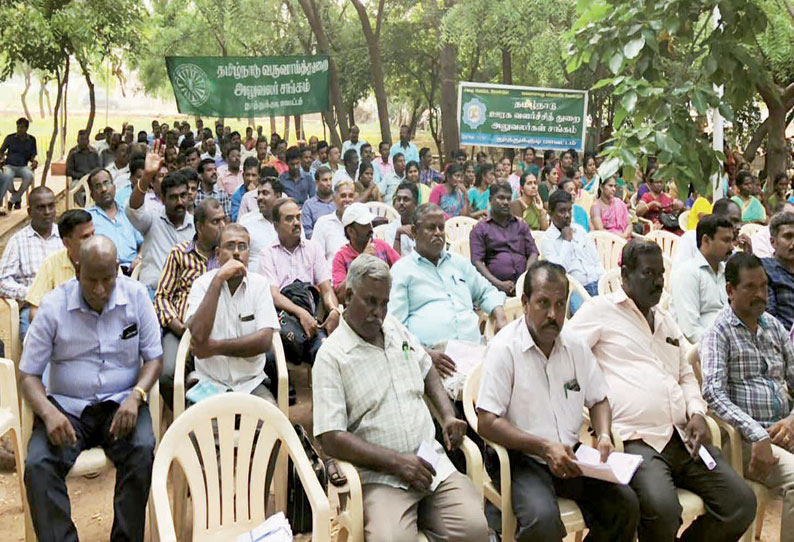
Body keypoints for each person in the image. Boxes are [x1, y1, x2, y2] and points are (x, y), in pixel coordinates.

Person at [567, 239, 756, 542]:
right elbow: (562, 353)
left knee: (741, 504)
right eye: (648, 273)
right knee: (663, 509)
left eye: (660, 275)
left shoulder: (665, 321)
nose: (657, 282)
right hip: (634, 439)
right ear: (625, 274)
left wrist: (696, 412)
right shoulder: (600, 311)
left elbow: (685, 374)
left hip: (683, 436)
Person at [313, 254, 489, 542]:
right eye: (370, 301)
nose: (378, 312)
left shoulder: (394, 328)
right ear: (347, 294)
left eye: (384, 303)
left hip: (430, 463)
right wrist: (397, 463)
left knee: (475, 531)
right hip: (379, 477)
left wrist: (447, 415)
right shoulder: (331, 356)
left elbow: (427, 368)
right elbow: (331, 437)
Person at [478, 260, 640, 542]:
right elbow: (487, 422)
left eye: (560, 304)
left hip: (570, 453)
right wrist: (543, 447)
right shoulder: (504, 348)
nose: (553, 315)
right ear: (525, 302)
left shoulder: (575, 345)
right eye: (543, 303)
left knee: (625, 506)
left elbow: (599, 399)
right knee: (543, 521)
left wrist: (603, 435)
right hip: (522, 457)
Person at [20, 236, 162, 542]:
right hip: (67, 410)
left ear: (117, 269)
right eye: (91, 280)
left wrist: (137, 396)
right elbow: (29, 375)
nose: (99, 290)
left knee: (142, 450)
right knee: (38, 465)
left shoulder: (136, 296)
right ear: (77, 270)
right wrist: (47, 412)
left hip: (122, 404)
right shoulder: (53, 306)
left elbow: (154, 358)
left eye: (107, 279)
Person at [701, 252, 794, 542]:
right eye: (750, 287)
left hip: (785, 431)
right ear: (730, 290)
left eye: (764, 287)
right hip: (743, 439)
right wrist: (757, 434)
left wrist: (792, 421)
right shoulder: (719, 331)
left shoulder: (773, 327)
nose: (760, 295)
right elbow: (713, 393)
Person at [389, 204, 507, 366]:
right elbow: (395, 326)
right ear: (415, 232)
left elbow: (486, 291)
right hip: (433, 358)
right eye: (431, 228)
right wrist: (425, 354)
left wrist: (500, 317)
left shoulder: (458, 263)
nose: (438, 233)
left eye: (441, 227)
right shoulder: (402, 271)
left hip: (474, 349)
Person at [185, 224, 279, 404]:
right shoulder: (201, 285)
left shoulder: (259, 285)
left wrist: (214, 347)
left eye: (242, 247)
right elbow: (197, 335)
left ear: (249, 255)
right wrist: (218, 280)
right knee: (202, 431)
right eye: (230, 246)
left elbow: (264, 341)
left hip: (251, 384)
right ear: (218, 254)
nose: (237, 252)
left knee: (270, 428)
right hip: (209, 385)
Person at [154, 198, 224, 407]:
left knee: (267, 361)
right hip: (181, 329)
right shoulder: (179, 253)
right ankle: (186, 417)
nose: (222, 227)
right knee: (167, 374)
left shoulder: (228, 255)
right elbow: (161, 296)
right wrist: (178, 327)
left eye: (223, 220)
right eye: (215, 222)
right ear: (200, 226)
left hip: (222, 330)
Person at [258, 198, 341, 366]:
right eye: (289, 219)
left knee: (325, 354)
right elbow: (274, 296)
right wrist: (301, 314)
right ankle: (287, 392)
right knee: (270, 358)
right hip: (281, 321)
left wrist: (333, 310)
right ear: (275, 225)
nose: (296, 223)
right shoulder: (267, 254)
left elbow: (326, 288)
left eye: (298, 217)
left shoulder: (313, 248)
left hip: (312, 318)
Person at [127, 147, 196, 298]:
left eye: (183, 195)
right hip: (154, 293)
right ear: (163, 199)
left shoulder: (196, 227)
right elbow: (134, 209)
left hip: (186, 296)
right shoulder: (152, 220)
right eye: (173, 197)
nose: (179, 202)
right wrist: (147, 176)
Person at [0, 186, 60, 338]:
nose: (47, 212)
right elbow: (2, 281)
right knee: (34, 345)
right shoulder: (18, 241)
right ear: (29, 212)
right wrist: (33, 294)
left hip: (66, 305)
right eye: (41, 208)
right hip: (33, 307)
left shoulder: (66, 237)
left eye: (51, 206)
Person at [670, 215, 733, 343]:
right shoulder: (687, 273)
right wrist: (721, 348)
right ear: (706, 240)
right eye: (726, 241)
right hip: (704, 350)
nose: (732, 247)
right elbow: (690, 330)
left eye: (732, 241)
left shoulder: (728, 272)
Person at [470, 182, 539, 296]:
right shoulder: (480, 228)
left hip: (525, 285)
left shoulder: (520, 224)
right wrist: (498, 284)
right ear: (491, 199)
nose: (506, 202)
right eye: (501, 198)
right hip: (494, 287)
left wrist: (525, 278)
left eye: (508, 198)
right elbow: (477, 262)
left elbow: (533, 252)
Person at [26, 210, 94, 322]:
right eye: (85, 237)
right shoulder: (51, 263)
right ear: (66, 243)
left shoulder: (106, 259)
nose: (92, 240)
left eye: (93, 233)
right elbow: (35, 310)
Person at [541, 190, 603, 299]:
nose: (567, 215)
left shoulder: (580, 231)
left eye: (569, 210)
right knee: (584, 313)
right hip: (574, 291)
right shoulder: (547, 240)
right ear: (550, 213)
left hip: (597, 284)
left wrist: (603, 282)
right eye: (562, 211)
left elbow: (596, 261)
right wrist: (567, 242)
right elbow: (559, 273)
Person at [331, 203, 400, 298]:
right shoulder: (341, 257)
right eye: (364, 225)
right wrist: (361, 262)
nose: (370, 228)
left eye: (370, 223)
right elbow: (340, 294)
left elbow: (401, 267)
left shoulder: (381, 245)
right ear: (351, 231)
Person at [86, 168, 143, 273]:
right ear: (92, 194)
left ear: (114, 187)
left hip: (135, 270)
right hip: (105, 272)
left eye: (107, 183)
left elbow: (143, 242)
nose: (104, 189)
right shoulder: (88, 218)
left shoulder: (128, 213)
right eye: (97, 186)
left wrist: (139, 258)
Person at [674, 198, 745, 267]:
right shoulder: (690, 239)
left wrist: (747, 253)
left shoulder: (733, 249)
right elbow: (679, 272)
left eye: (740, 222)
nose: (739, 226)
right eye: (734, 221)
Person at [239, 176, 283, 271]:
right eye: (258, 194)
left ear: (278, 196)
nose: (259, 198)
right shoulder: (246, 221)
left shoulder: (289, 220)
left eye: (265, 193)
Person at [762, 211, 794, 330]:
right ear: (773, 242)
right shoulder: (764, 269)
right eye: (788, 237)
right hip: (783, 338)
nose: (793, 243)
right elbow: (769, 318)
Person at [312, 181, 357, 262]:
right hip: (331, 273)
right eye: (343, 196)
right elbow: (316, 257)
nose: (347, 200)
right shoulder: (323, 223)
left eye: (351, 196)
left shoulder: (362, 222)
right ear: (334, 199)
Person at [0, 117, 37, 210]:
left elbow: (32, 156)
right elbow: (1, 151)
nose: (19, 130)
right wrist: (1, 158)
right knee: (6, 177)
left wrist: (34, 162)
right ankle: (17, 198)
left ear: (26, 128)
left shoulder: (31, 140)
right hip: (9, 166)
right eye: (18, 127)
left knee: (29, 176)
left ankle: (12, 200)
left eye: (22, 127)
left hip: (23, 166)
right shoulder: (10, 138)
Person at [301, 166, 336, 238]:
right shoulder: (309, 205)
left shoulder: (338, 201)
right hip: (318, 244)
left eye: (330, 179)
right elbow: (307, 232)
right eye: (325, 180)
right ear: (317, 183)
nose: (329, 183)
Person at [385, 182, 418, 256]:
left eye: (406, 199)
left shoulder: (423, 226)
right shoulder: (391, 228)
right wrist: (398, 234)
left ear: (415, 203)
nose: (401, 203)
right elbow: (393, 259)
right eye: (398, 199)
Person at [230, 157, 263, 222]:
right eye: (247, 175)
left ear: (259, 177)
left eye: (254, 175)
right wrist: (250, 196)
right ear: (243, 176)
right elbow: (236, 219)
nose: (250, 179)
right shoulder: (237, 195)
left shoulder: (264, 192)